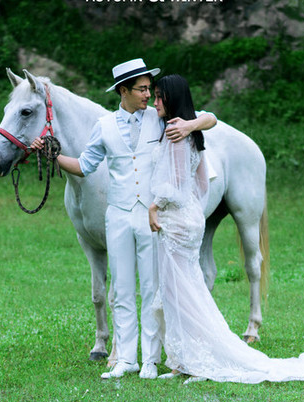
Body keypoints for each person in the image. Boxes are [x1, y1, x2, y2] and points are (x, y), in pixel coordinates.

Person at [147, 74, 304, 385]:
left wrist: (155, 205)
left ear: (172, 99)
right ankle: (185, 357)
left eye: (160, 96)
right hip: (189, 217)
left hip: (177, 220)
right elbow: (201, 179)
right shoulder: (187, 132)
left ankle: (189, 358)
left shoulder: (177, 133)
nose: (154, 101)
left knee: (181, 291)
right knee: (187, 289)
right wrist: (193, 204)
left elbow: (176, 183)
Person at [51, 58, 217, 379]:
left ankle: (151, 359)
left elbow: (210, 118)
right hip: (118, 215)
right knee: (123, 289)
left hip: (151, 217)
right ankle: (126, 359)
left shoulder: (160, 119)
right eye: (141, 89)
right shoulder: (104, 125)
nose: (148, 95)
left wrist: (191, 125)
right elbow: (84, 166)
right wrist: (53, 156)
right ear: (123, 91)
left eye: (149, 89)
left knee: (152, 289)